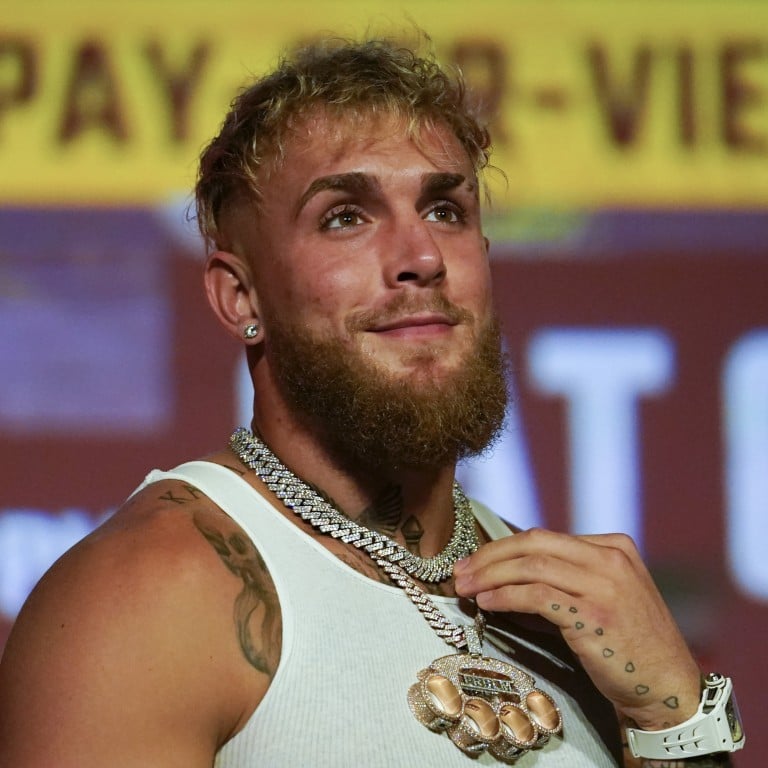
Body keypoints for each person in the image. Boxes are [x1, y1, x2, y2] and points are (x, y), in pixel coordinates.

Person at [0, 37, 742, 768]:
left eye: (445, 210)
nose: (421, 258)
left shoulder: (571, 614)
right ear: (240, 296)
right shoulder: (151, 594)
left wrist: (676, 718)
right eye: (346, 217)